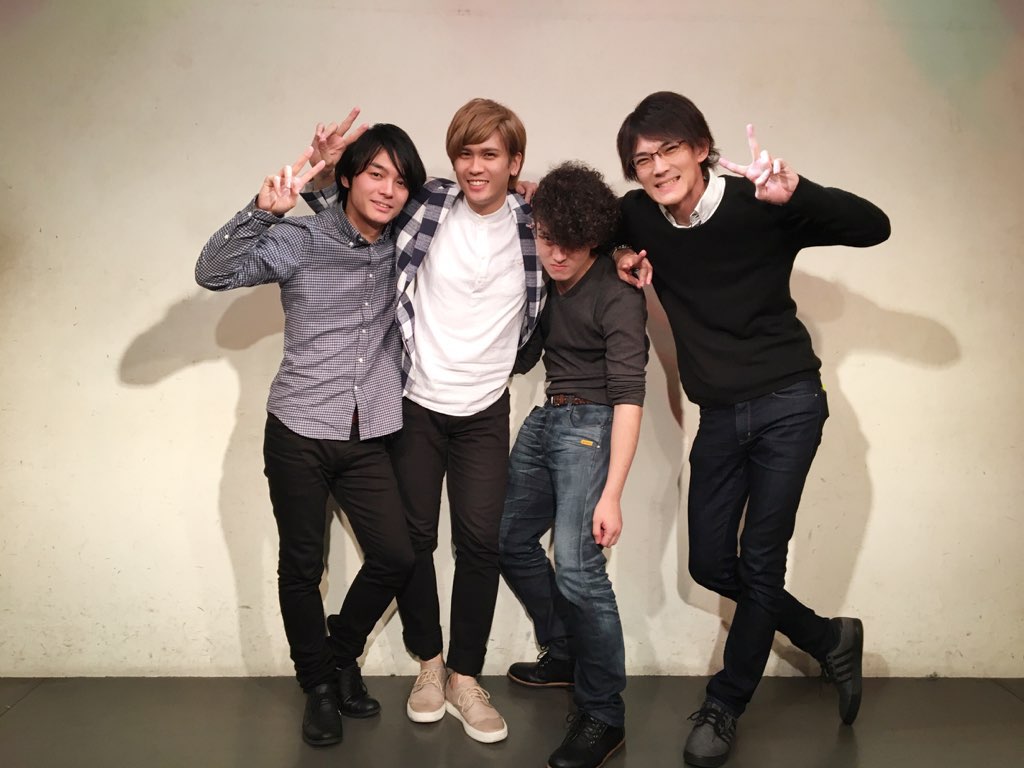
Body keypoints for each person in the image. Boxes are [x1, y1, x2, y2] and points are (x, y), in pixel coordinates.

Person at [612, 91, 891, 767]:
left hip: (788, 402)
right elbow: (591, 224)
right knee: (710, 562)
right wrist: (620, 252)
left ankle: (725, 703)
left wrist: (800, 193)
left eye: (670, 150)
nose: (657, 167)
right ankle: (826, 638)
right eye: (643, 159)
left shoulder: (759, 203)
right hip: (719, 414)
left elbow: (874, 226)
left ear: (702, 149)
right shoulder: (639, 215)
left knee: (761, 560)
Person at [304, 98, 541, 744]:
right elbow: (348, 217)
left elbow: (597, 237)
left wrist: (627, 257)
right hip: (416, 403)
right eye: (464, 153)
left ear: (515, 162)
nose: (474, 166)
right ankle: (430, 665)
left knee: (481, 543)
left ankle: (466, 675)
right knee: (413, 541)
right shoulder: (427, 204)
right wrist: (322, 174)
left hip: (485, 408)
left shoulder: (538, 222)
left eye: (489, 154)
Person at [195, 123, 427, 747]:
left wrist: (524, 190)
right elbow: (212, 272)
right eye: (375, 174)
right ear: (347, 177)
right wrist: (261, 211)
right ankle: (319, 686)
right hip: (297, 429)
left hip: (368, 431)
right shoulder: (301, 237)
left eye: (400, 181)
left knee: (396, 556)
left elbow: (471, 209)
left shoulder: (405, 246)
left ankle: (339, 653)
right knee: (302, 566)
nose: (388, 190)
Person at [499, 162, 648, 768]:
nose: (556, 255)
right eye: (546, 239)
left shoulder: (618, 291)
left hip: (592, 426)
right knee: (508, 539)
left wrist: (613, 493)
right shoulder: (549, 275)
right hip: (547, 416)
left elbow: (630, 396)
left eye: (570, 243)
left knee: (580, 570)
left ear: (594, 237)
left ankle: (604, 714)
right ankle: (563, 650)